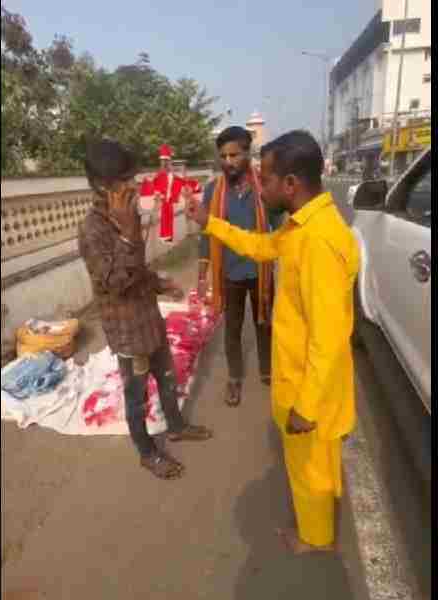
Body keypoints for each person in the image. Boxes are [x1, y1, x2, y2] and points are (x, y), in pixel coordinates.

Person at [186, 130, 359, 554]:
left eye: (265, 178)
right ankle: (320, 528)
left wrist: (306, 403)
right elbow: (262, 247)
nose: (258, 186)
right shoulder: (305, 225)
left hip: (308, 389)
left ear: (291, 184)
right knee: (316, 468)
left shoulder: (318, 239)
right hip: (304, 379)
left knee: (310, 472)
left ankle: (314, 540)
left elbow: (330, 335)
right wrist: (210, 224)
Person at [79, 138, 213, 481]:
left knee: (167, 381)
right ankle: (147, 452)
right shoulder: (92, 229)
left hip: (149, 320)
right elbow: (116, 282)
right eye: (125, 179)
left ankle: (177, 426)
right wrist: (127, 235)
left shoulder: (127, 215)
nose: (134, 185)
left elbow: (137, 270)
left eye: (132, 177)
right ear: (101, 185)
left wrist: (160, 283)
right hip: (126, 332)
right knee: (136, 397)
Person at [197, 126, 281, 407]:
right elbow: (207, 232)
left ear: (247, 153)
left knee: (264, 323)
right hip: (229, 272)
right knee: (231, 328)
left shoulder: (265, 186)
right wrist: (201, 274)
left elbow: (278, 228)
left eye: (234, 154)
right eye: (223, 156)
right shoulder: (213, 190)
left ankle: (267, 370)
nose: (228, 161)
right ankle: (234, 378)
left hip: (260, 271)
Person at [151, 144, 185, 243]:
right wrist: (157, 193)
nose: (165, 163)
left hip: (169, 199)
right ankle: (165, 237)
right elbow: (155, 184)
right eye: (163, 161)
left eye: (167, 161)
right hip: (163, 199)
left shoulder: (171, 174)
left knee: (169, 218)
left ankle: (168, 237)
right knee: (164, 218)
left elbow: (179, 181)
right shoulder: (160, 174)